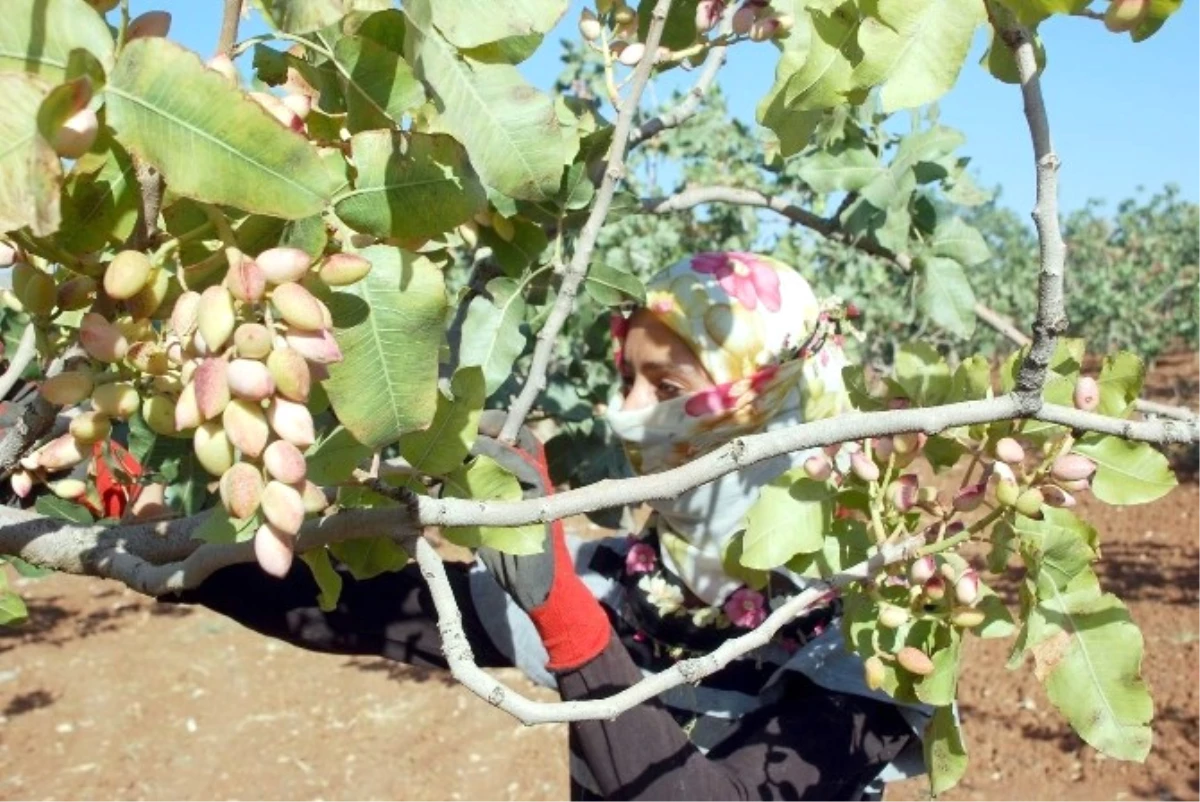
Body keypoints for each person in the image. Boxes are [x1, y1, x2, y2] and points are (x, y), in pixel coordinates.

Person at [163, 252, 930, 801]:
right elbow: (365, 611)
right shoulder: (628, 580)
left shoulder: (876, 632)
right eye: (626, 377)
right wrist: (167, 557)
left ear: (772, 406)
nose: (628, 411)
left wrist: (564, 614)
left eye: (667, 386)